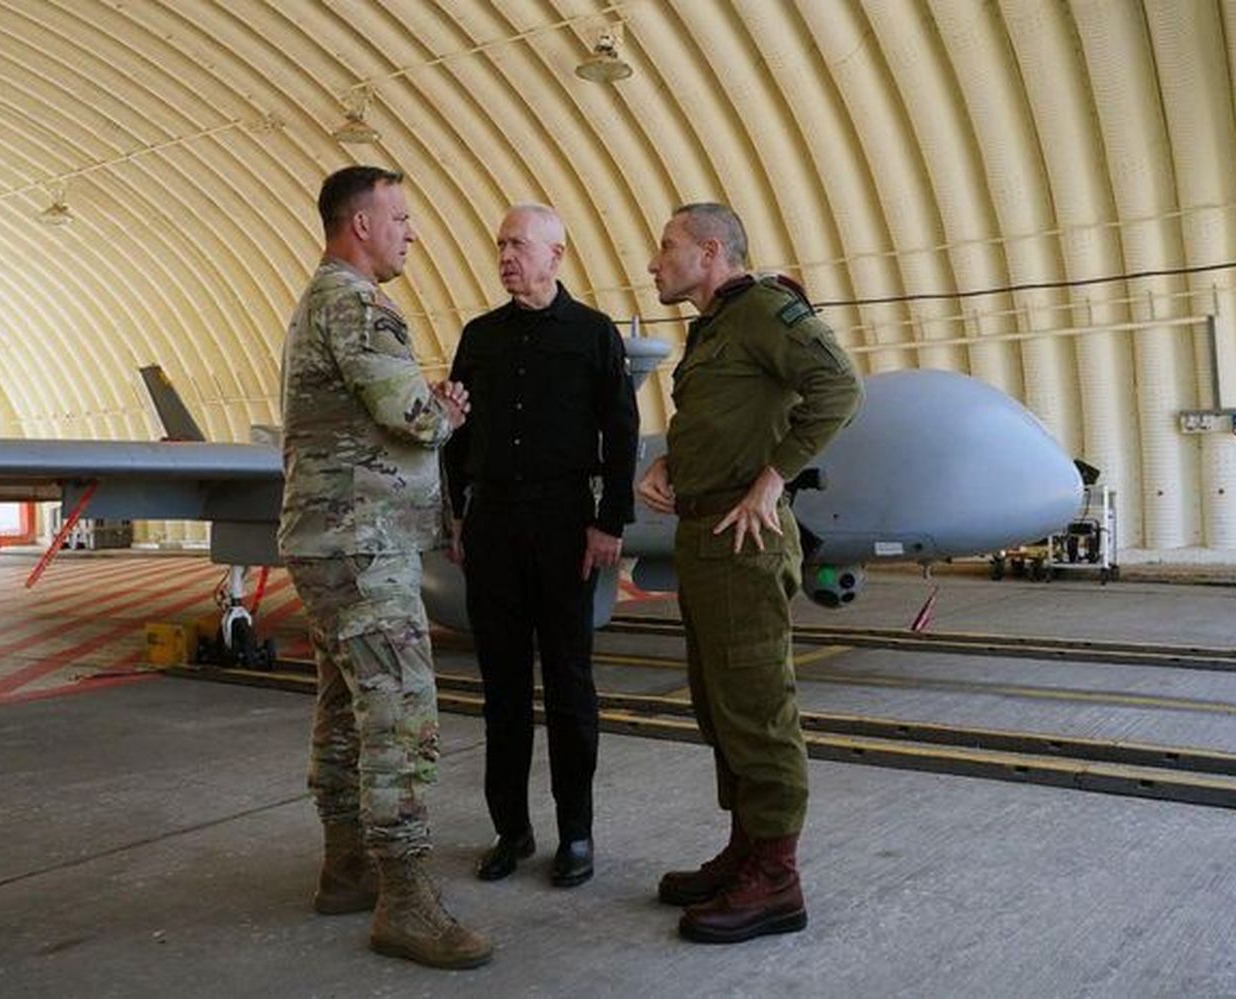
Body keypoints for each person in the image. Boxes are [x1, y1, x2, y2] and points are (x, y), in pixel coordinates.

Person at [278, 164, 492, 970]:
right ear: (360, 224)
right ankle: (404, 896)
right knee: (401, 709)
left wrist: (423, 408)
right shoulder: (357, 303)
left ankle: (346, 866)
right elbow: (409, 413)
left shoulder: (321, 300)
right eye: (399, 217)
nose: (411, 231)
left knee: (345, 706)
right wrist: (444, 411)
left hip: (331, 541)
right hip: (361, 545)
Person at [637, 203, 862, 944]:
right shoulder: (716, 329)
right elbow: (729, 420)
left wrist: (773, 482)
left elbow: (838, 387)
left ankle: (778, 878)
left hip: (745, 536)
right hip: (704, 536)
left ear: (709, 251)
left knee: (760, 708)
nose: (654, 263)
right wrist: (671, 463)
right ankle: (747, 850)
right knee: (722, 706)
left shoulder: (766, 308)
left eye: (666, 248)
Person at [442, 204, 640, 888]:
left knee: (569, 686)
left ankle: (576, 833)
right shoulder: (479, 336)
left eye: (518, 244)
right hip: (492, 521)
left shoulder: (592, 335)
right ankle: (512, 829)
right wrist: (458, 513)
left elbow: (622, 434)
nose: (505, 255)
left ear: (557, 256)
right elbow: (457, 433)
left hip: (563, 525)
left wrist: (610, 522)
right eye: (500, 243)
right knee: (500, 689)